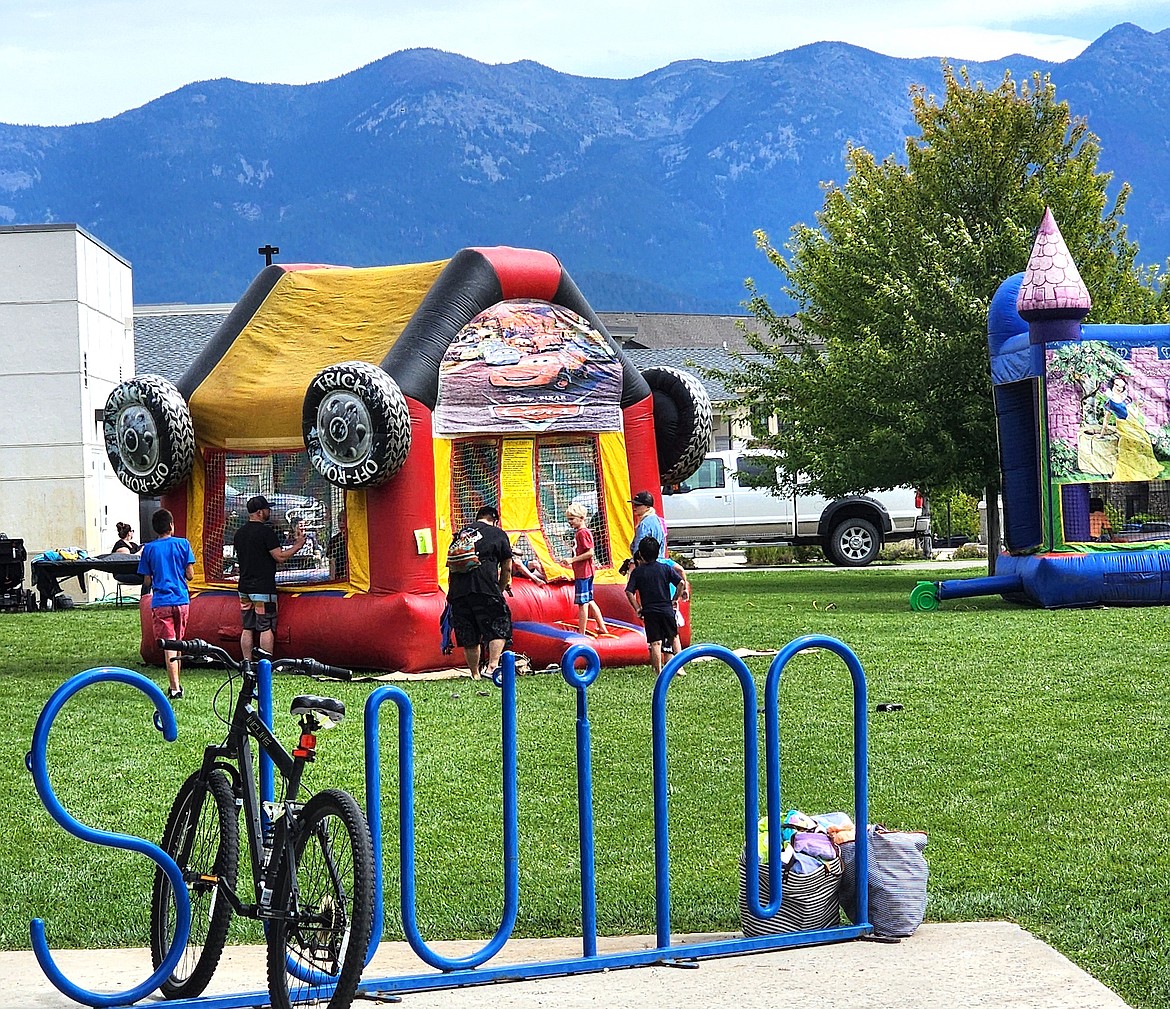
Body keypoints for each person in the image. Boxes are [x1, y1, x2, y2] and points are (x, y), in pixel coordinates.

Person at [233, 494, 305, 660]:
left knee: (248, 627)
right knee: (265, 626)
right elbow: (279, 557)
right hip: (263, 588)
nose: (269, 511)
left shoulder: (239, 534)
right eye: (267, 509)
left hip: (244, 587)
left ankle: (247, 663)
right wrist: (298, 545)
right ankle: (266, 665)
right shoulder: (266, 533)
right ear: (259, 512)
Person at [447, 504, 513, 680]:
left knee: (469, 633)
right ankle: (492, 667)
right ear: (494, 520)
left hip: (458, 591)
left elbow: (451, 567)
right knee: (499, 625)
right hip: (485, 587)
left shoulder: (460, 534)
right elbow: (507, 568)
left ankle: (475, 674)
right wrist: (499, 589)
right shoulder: (498, 533)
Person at [137, 508, 196, 700]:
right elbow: (190, 574)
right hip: (181, 599)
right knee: (178, 643)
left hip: (161, 601)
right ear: (171, 525)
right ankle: (177, 682)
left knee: (169, 644)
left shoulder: (150, 549)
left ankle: (175, 687)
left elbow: (147, 580)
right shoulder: (183, 544)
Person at [624, 535, 687, 676]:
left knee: (655, 643)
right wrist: (675, 599)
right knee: (674, 637)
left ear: (640, 554)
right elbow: (681, 583)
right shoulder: (664, 568)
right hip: (666, 609)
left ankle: (659, 672)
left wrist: (637, 608)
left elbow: (629, 591)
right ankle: (680, 666)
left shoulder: (638, 572)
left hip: (650, 611)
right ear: (658, 552)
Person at [1102, 375, 1162, 482]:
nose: (1119, 388)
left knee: (1143, 441)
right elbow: (1106, 421)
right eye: (1117, 385)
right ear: (1112, 385)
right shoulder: (1109, 402)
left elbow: (1134, 414)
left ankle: (1142, 469)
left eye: (1122, 386)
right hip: (1123, 425)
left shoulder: (1126, 399)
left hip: (1132, 423)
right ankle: (1129, 471)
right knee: (1126, 446)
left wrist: (1138, 405)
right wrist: (1102, 433)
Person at [565, 502, 609, 636]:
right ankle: (602, 627)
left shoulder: (582, 533)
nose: (570, 522)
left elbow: (590, 552)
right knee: (589, 600)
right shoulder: (581, 532)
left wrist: (572, 560)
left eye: (572, 519)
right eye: (569, 519)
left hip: (583, 573)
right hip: (587, 571)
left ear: (581, 518)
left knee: (582, 603)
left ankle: (582, 632)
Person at [327, 507, 348, 580]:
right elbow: (332, 562)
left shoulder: (355, 539)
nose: (341, 523)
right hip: (339, 577)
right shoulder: (334, 540)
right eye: (339, 520)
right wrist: (332, 580)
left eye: (344, 520)